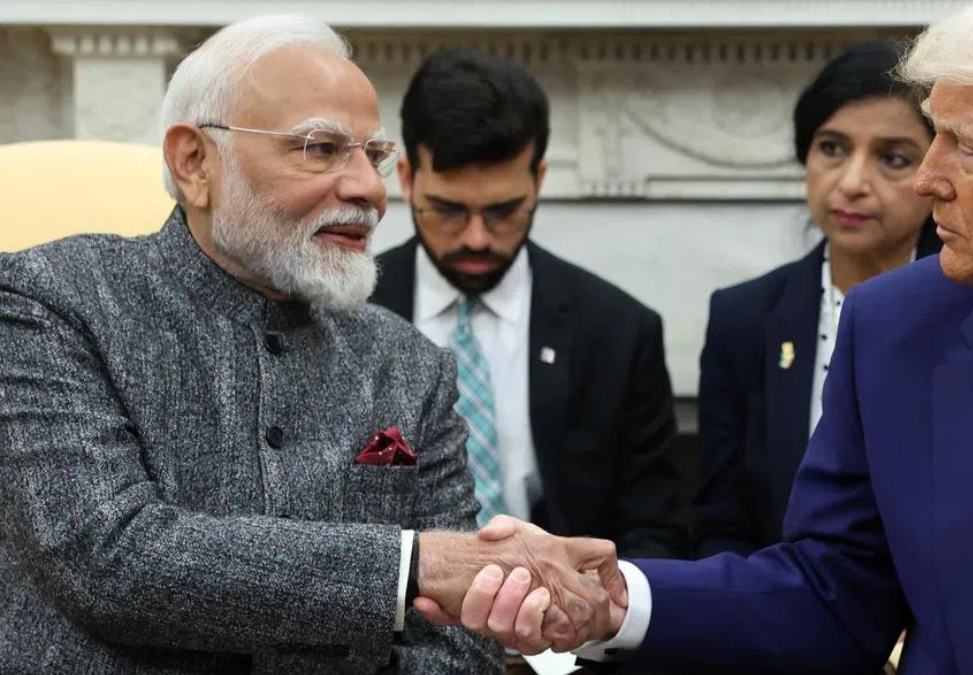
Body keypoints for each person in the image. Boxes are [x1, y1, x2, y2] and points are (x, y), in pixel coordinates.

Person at [424, 1, 973, 673]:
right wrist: (616, 600)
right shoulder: (898, 326)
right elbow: (833, 592)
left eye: (967, 146)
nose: (927, 177)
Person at [0, 16, 622, 674]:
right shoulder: (52, 300)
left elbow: (460, 642)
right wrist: (413, 564)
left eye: (373, 156)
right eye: (321, 148)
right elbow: (111, 560)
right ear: (194, 162)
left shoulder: (410, 365)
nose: (370, 191)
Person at [371, 48, 689, 560]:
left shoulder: (618, 331)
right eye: (449, 211)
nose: (476, 238)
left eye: (503, 212)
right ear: (406, 179)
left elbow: (654, 530)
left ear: (538, 181)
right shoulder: (344, 316)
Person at [693, 40, 941, 558]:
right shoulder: (745, 318)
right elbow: (721, 525)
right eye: (831, 148)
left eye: (892, 158)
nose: (851, 183)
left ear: (938, 174)